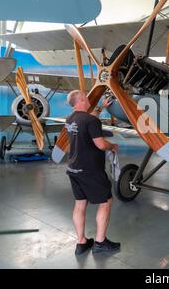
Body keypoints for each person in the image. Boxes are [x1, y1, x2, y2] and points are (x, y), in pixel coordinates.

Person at [65, 90, 120, 255]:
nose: (88, 98)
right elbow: (101, 145)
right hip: (90, 170)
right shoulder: (90, 121)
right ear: (81, 99)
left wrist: (102, 107)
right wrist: (113, 146)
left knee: (80, 204)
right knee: (105, 202)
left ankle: (81, 242)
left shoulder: (70, 119)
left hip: (73, 169)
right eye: (85, 96)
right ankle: (100, 242)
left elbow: (88, 120)